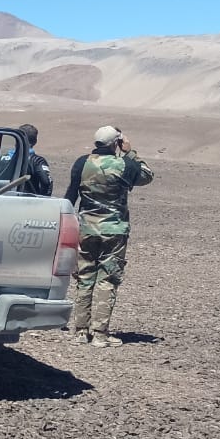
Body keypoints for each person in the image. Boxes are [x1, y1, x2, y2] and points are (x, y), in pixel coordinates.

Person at [64, 125, 154, 347]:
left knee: (84, 278)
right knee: (108, 279)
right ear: (116, 143)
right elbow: (146, 175)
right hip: (114, 231)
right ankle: (100, 334)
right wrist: (130, 152)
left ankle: (80, 332)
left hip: (86, 229)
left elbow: (70, 196)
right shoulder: (124, 165)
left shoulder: (81, 163)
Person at [0, 123, 53, 194]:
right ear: (35, 142)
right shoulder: (37, 161)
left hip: (1, 197)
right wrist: (42, 197)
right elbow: (46, 182)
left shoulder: (2, 159)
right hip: (25, 200)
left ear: (16, 140)